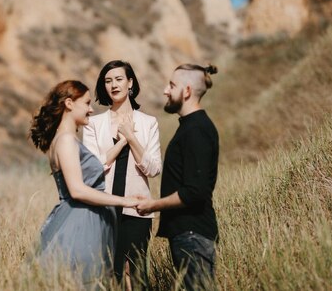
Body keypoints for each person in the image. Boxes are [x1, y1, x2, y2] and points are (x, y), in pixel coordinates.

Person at [29, 80, 141, 288]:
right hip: (79, 222)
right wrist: (125, 201)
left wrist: (124, 141)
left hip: (82, 219)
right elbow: (78, 190)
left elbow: (98, 165)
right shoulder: (65, 141)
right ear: (69, 103)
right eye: (87, 103)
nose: (91, 109)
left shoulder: (67, 140)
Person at [137, 64, 220, 290]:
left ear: (186, 91)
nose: (165, 90)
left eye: (172, 85)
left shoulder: (197, 130)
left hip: (193, 235)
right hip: (188, 235)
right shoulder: (190, 127)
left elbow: (194, 192)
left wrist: (152, 205)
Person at [82, 60, 162, 289]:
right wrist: (122, 142)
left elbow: (154, 168)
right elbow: (92, 166)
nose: (113, 85)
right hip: (103, 209)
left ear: (130, 83)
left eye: (118, 79)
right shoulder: (93, 124)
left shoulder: (148, 123)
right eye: (108, 81)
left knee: (135, 273)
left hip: (137, 208)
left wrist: (132, 137)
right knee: (108, 273)